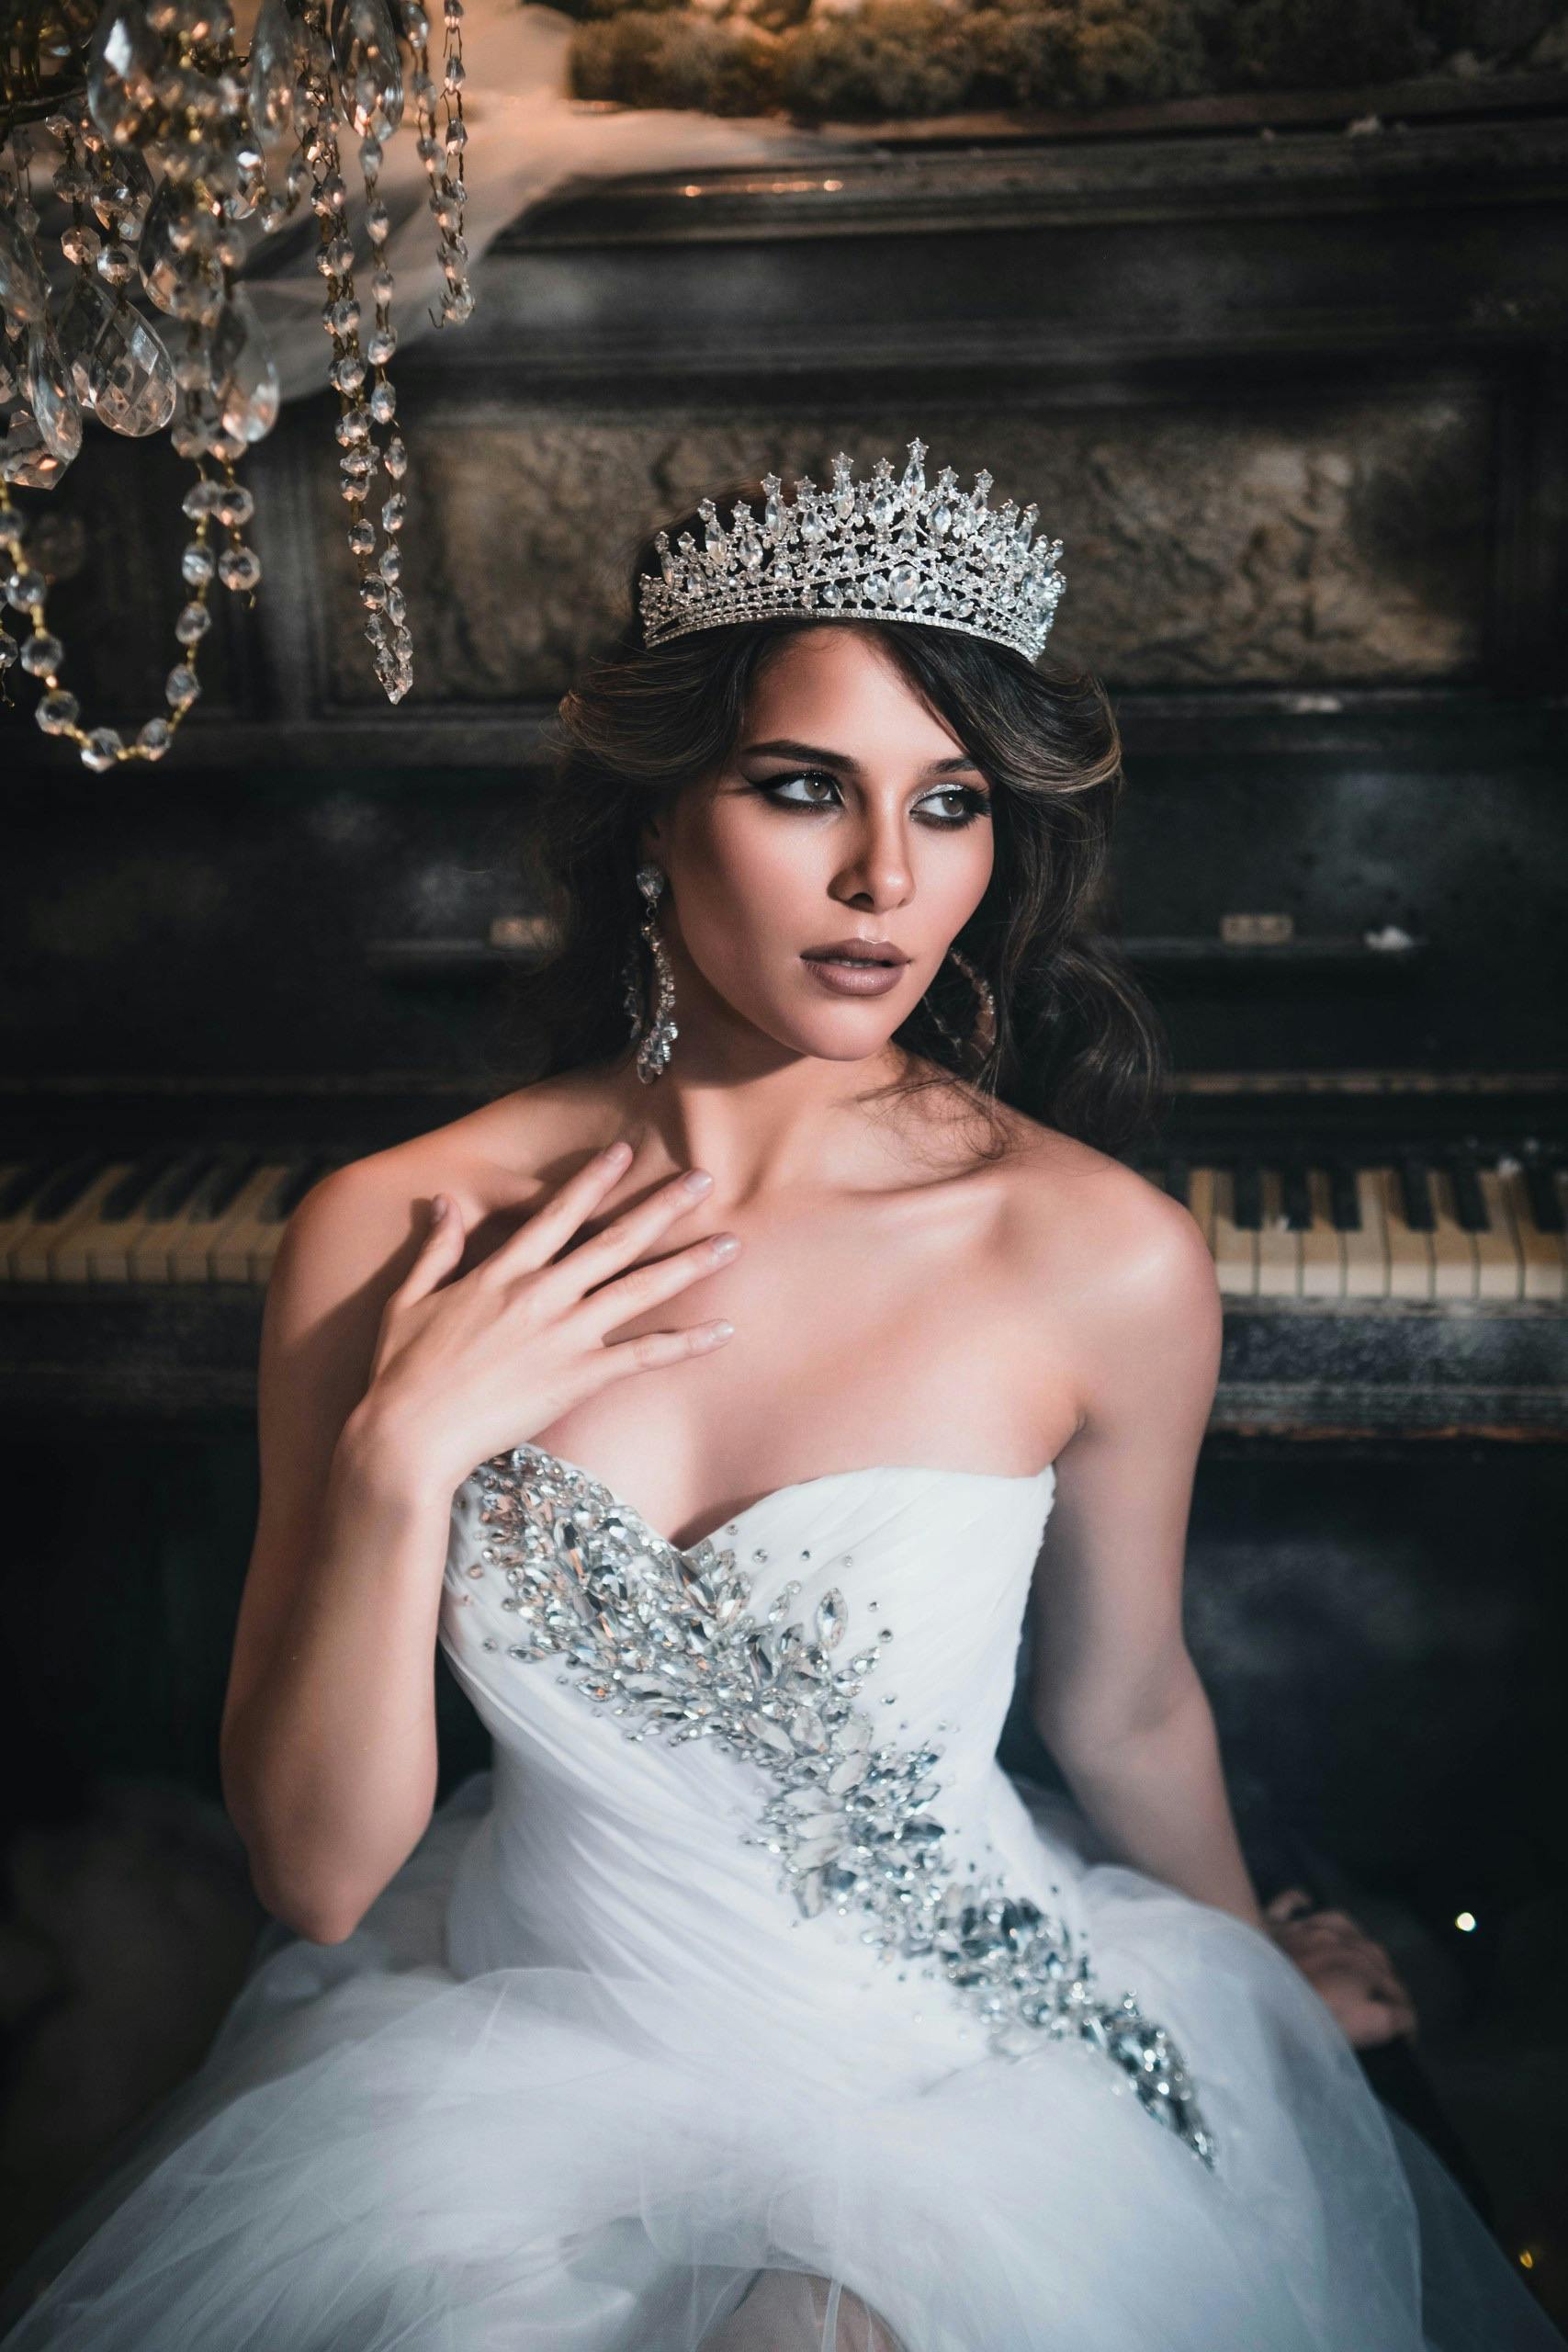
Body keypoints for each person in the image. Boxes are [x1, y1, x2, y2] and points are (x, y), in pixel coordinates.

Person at [0, 444, 1560, 2352]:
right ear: (655, 812)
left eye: (950, 803)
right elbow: (320, 1876)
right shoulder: (387, 1228)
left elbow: (1123, 1697)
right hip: (507, 2070)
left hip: (962, 2078)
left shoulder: (1096, 1250)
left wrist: (1245, 1979)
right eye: (802, 785)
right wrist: (405, 1451)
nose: (886, 879)